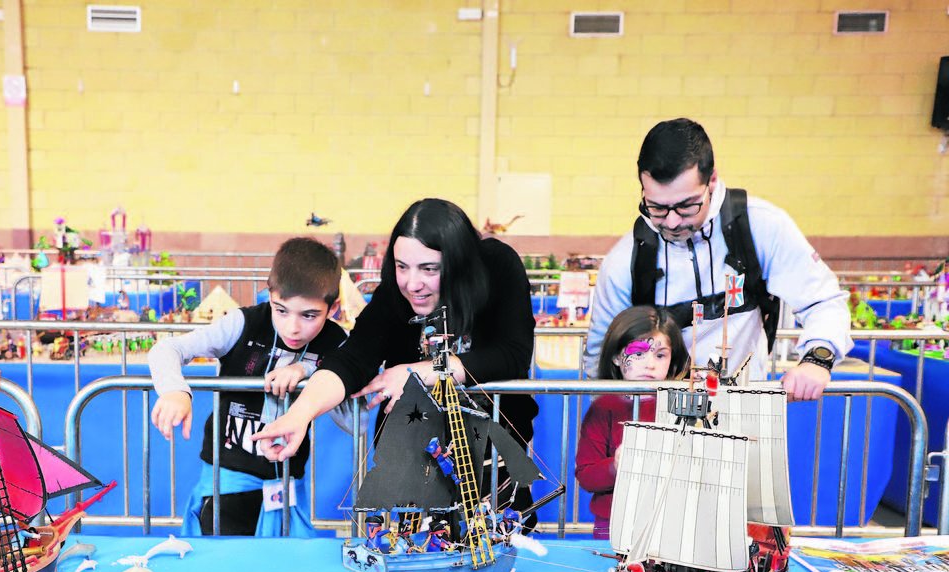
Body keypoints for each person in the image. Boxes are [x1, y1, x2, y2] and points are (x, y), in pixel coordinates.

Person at [251, 197, 541, 527]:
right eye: (402, 267)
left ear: (458, 263)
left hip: (491, 470)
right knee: (413, 558)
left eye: (429, 269)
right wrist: (300, 415)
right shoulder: (397, 293)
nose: (412, 283)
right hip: (415, 473)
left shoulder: (497, 266)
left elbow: (511, 354)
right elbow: (352, 358)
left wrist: (421, 371)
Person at [584, 118, 852, 402]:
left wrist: (817, 358)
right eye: (657, 208)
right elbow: (599, 361)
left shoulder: (762, 226)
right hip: (654, 423)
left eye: (687, 206)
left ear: (711, 180)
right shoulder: (624, 261)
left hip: (743, 413)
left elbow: (823, 301)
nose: (673, 222)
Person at [148, 237, 348, 537]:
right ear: (270, 295)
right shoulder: (242, 323)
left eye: (309, 315)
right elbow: (166, 349)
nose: (293, 327)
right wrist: (175, 390)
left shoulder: (336, 342)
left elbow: (353, 422)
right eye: (281, 310)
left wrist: (308, 370)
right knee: (220, 569)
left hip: (285, 486)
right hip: (226, 481)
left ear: (333, 308)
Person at [576, 306, 689, 540]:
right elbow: (586, 475)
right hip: (613, 524)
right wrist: (614, 466)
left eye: (660, 355)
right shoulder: (604, 407)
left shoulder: (683, 405)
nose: (650, 364)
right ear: (617, 357)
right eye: (638, 353)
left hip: (670, 522)